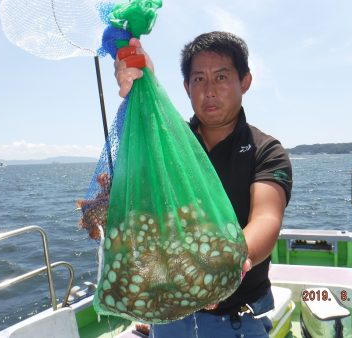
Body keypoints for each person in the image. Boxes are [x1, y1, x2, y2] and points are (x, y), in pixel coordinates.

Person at [115, 31, 293, 338]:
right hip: (168, 319)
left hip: (238, 321)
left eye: (221, 76)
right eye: (198, 79)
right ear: (186, 87)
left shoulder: (266, 150)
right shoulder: (167, 146)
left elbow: (266, 218)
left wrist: (226, 265)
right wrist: (140, 80)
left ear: (245, 82)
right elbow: (141, 135)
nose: (209, 90)